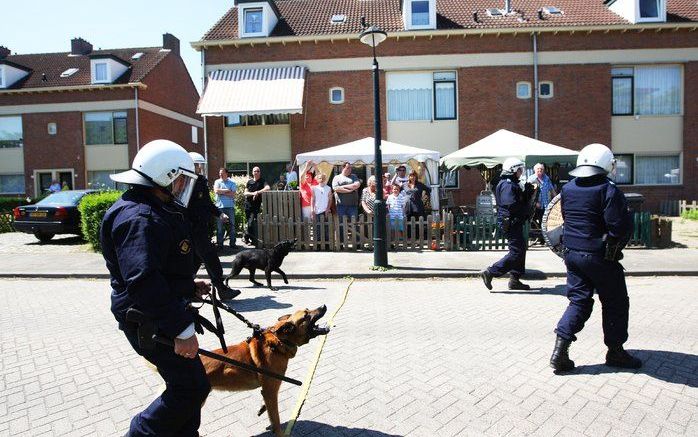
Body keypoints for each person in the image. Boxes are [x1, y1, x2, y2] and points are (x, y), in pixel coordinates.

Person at [100, 139, 211, 436]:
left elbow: (158, 269)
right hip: (150, 320)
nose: (183, 188)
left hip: (157, 314)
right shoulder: (140, 217)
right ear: (166, 176)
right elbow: (144, 282)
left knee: (189, 386)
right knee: (190, 388)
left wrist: (188, 286)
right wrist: (182, 331)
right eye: (181, 181)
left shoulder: (150, 206)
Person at [550, 143, 641, 373]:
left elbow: (566, 217)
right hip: (600, 256)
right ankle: (616, 351)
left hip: (571, 254)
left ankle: (560, 349)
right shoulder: (608, 189)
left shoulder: (568, 188)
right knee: (615, 302)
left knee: (579, 300)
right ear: (605, 164)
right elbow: (618, 226)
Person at [189, 155, 240, 300]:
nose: (199, 168)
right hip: (195, 228)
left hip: (199, 228)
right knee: (211, 258)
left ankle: (187, 289)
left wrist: (220, 214)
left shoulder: (199, 182)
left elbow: (207, 204)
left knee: (195, 260)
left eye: (199, 165)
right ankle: (221, 289)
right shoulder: (189, 183)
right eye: (196, 165)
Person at [480, 157, 534, 291]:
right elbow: (511, 204)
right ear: (513, 170)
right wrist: (524, 203)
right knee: (516, 252)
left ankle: (515, 279)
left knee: (520, 250)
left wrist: (526, 194)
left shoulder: (511, 183)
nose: (521, 172)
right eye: (520, 169)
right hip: (510, 222)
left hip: (514, 221)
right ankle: (491, 272)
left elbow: (516, 201)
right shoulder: (507, 184)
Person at [527, 163, 557, 241]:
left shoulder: (546, 178)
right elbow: (527, 194)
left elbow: (552, 190)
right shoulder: (531, 179)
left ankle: (543, 239)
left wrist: (557, 199)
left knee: (544, 222)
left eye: (541, 169)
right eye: (538, 169)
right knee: (533, 221)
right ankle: (534, 237)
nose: (540, 170)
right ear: (535, 170)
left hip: (546, 204)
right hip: (535, 205)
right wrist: (535, 202)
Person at [243, 166, 270, 245]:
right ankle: (248, 238)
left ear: (260, 173)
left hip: (256, 206)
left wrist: (257, 192)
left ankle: (248, 238)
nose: (256, 172)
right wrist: (253, 193)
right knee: (250, 223)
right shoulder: (249, 182)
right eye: (255, 171)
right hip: (248, 205)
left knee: (252, 223)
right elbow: (245, 193)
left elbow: (268, 188)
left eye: (258, 171)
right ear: (252, 173)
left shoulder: (262, 181)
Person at [213, 167, 238, 249]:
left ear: (226, 173)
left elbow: (233, 194)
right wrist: (227, 190)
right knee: (219, 227)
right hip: (219, 208)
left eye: (222, 173)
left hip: (230, 207)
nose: (220, 174)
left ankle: (232, 244)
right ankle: (220, 245)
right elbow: (216, 191)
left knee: (232, 226)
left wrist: (222, 192)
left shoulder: (232, 182)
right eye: (219, 173)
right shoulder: (217, 181)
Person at [311, 173, 332, 248]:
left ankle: (327, 245)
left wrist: (327, 209)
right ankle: (318, 245)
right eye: (319, 178)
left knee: (326, 228)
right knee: (317, 229)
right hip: (317, 210)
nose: (321, 179)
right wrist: (312, 210)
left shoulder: (328, 188)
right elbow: (313, 199)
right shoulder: (314, 188)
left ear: (325, 179)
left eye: (323, 178)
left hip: (325, 211)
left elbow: (330, 199)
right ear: (317, 179)